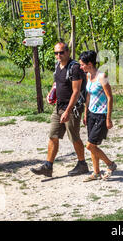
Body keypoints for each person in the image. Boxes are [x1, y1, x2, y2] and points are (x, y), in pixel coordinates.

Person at [31, 42, 89, 177]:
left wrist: (68, 111)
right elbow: (57, 82)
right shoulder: (58, 65)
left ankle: (82, 164)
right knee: (53, 135)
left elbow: (76, 91)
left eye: (61, 52)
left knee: (74, 137)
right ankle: (48, 166)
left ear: (68, 52)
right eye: (56, 53)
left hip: (72, 108)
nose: (58, 55)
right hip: (59, 107)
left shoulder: (75, 68)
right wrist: (51, 92)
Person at [78, 50, 117, 182]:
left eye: (82, 64)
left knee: (89, 145)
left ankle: (110, 164)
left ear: (89, 63)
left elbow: (109, 97)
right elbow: (88, 95)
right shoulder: (88, 76)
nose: (80, 67)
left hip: (101, 114)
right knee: (92, 145)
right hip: (91, 114)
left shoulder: (102, 76)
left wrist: (108, 118)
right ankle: (96, 172)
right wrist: (85, 112)